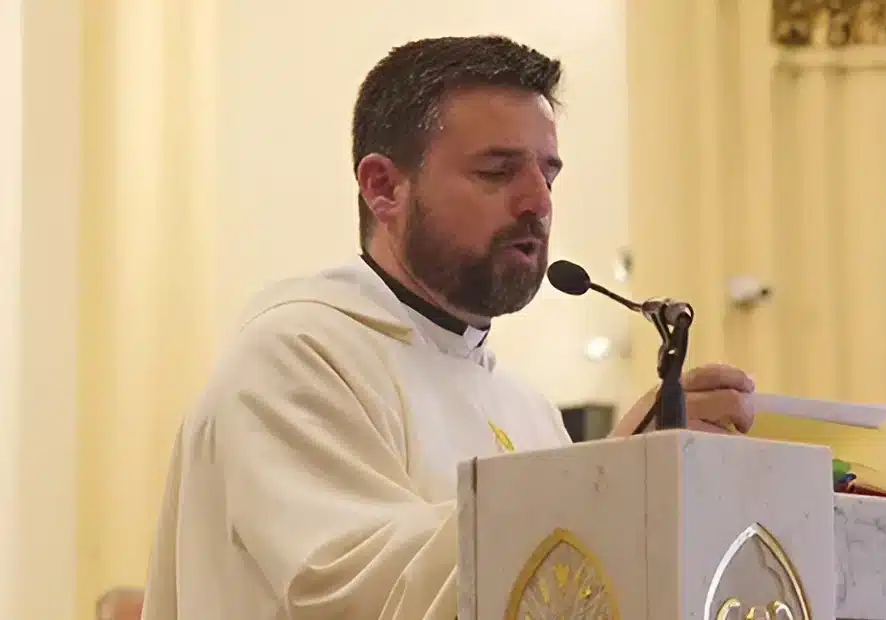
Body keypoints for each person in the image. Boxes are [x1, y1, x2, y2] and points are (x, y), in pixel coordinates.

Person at [140, 36, 758, 620]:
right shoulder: (295, 360)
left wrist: (641, 488)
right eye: (497, 171)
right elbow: (359, 590)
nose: (538, 202)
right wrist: (607, 484)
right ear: (384, 188)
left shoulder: (526, 407)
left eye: (548, 174)